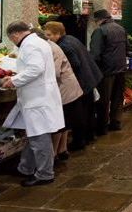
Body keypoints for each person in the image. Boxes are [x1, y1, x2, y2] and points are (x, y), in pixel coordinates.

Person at [1, 21, 64, 186]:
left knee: (39, 136)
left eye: (11, 39)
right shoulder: (38, 42)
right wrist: (15, 78)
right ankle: (26, 168)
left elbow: (35, 69)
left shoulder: (30, 45)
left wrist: (14, 80)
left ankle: (45, 174)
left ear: (15, 35)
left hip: (38, 98)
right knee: (34, 135)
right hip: (39, 96)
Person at [43, 21, 103, 151]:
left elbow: (74, 63)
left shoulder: (63, 45)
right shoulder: (71, 38)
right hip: (90, 77)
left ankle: (79, 141)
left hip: (82, 81)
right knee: (88, 111)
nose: (46, 38)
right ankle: (89, 136)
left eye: (48, 35)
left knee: (79, 114)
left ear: (58, 34)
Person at [35, 29, 83, 162]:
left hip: (64, 89)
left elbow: (53, 73)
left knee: (58, 122)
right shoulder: (52, 46)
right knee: (65, 121)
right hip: (68, 88)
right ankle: (62, 150)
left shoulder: (50, 49)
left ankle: (54, 153)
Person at [89, 9, 128, 134]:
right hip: (121, 69)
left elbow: (95, 54)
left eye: (95, 21)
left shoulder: (100, 31)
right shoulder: (120, 28)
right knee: (117, 97)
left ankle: (102, 127)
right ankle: (116, 122)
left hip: (106, 71)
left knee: (103, 100)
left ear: (99, 20)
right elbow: (127, 47)